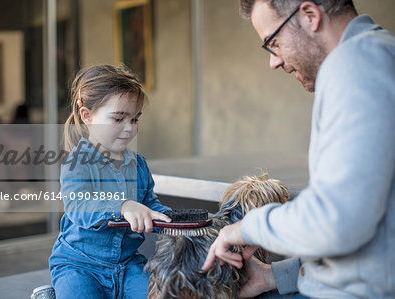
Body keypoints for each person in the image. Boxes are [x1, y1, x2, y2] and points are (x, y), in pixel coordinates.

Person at [202, 1, 395, 298]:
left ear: (309, 16)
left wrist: (244, 228)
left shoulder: (357, 65)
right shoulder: (374, 56)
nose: (273, 61)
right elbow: (374, 232)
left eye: (273, 42)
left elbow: (335, 220)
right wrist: (273, 276)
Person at [49, 64, 172, 298]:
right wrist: (123, 207)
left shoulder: (139, 165)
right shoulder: (77, 161)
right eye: (118, 118)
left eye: (135, 119)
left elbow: (149, 205)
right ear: (87, 116)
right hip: (78, 266)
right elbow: (79, 206)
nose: (129, 128)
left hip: (128, 266)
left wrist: (174, 222)